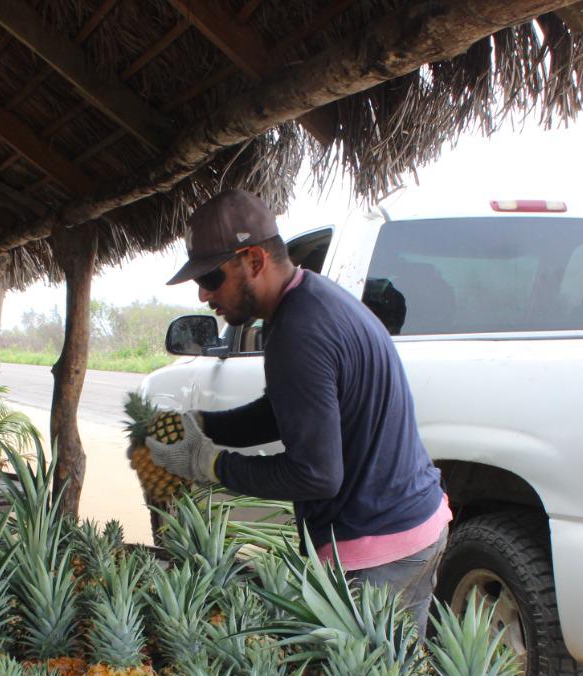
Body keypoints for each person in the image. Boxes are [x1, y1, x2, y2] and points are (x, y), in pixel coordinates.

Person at [145, 189, 451, 633]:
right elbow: (284, 409)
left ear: (253, 260)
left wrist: (209, 463)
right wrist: (204, 425)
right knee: (400, 671)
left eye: (211, 277)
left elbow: (317, 476)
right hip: (419, 524)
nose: (203, 294)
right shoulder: (312, 300)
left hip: (376, 552)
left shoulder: (299, 332)